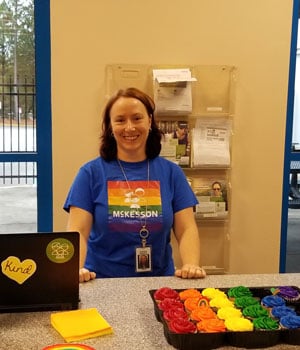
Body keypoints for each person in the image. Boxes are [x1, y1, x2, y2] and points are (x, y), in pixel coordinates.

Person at [64, 87, 206, 282]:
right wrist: (75, 269)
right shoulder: (90, 173)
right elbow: (78, 231)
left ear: (150, 121)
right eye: (120, 120)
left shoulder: (172, 173)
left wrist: (191, 264)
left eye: (137, 118)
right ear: (110, 127)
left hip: (159, 283)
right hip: (101, 281)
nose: (129, 127)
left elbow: (186, 228)